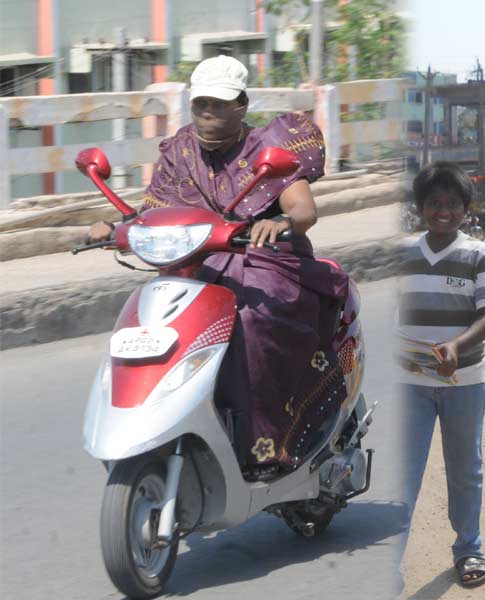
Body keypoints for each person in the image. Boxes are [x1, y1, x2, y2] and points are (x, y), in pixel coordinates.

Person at [86, 56, 351, 479]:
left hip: (263, 259)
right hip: (196, 260)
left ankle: (266, 444)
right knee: (156, 324)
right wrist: (114, 226)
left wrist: (278, 222)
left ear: (241, 106)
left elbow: (303, 209)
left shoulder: (269, 147)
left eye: (219, 104)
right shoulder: (180, 152)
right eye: (201, 104)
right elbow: (154, 208)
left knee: (250, 323)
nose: (208, 114)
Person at [398, 161, 485, 587]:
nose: (443, 211)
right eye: (434, 203)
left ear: (465, 209)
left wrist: (457, 346)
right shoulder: (401, 252)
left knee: (465, 469)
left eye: (452, 204)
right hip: (410, 384)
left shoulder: (479, 254)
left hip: (465, 382)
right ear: (421, 206)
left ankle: (469, 549)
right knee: (403, 473)